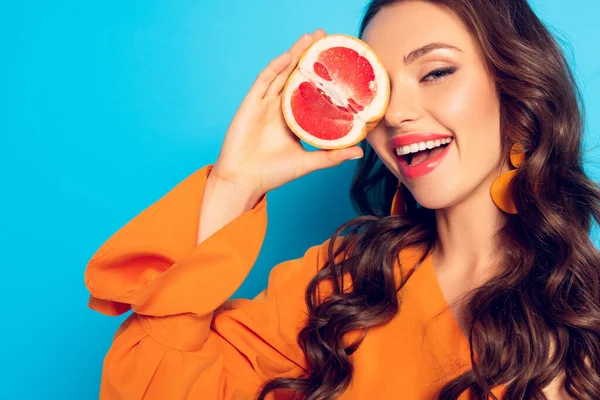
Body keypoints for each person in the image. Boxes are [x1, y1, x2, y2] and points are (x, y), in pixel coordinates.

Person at [84, 0, 600, 398]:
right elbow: (151, 384)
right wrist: (233, 184)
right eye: (378, 89)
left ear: (517, 87)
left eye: (436, 73)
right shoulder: (342, 285)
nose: (396, 113)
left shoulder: (586, 310)